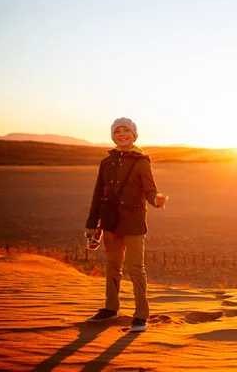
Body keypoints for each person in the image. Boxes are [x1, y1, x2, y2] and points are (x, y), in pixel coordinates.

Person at [85, 117, 167, 332]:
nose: (122, 134)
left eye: (126, 131)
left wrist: (157, 199)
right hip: (110, 222)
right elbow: (97, 195)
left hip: (133, 223)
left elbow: (149, 189)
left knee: (136, 269)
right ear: (113, 136)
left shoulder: (141, 162)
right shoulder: (106, 162)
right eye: (117, 131)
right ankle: (111, 308)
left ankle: (141, 315)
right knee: (112, 267)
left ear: (134, 135)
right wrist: (92, 224)